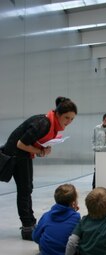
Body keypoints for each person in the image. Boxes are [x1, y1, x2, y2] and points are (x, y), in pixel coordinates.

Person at [2, 96, 77, 240]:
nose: (69, 122)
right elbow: (20, 144)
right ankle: (27, 228)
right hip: (16, 154)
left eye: (72, 119)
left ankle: (30, 223)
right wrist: (41, 151)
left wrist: (40, 149)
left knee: (27, 189)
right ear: (58, 114)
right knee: (24, 190)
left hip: (22, 155)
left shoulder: (49, 123)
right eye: (67, 118)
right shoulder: (44, 123)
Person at [32, 184, 81, 255]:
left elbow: (36, 238)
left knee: (38, 228)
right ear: (73, 203)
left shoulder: (46, 215)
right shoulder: (76, 217)